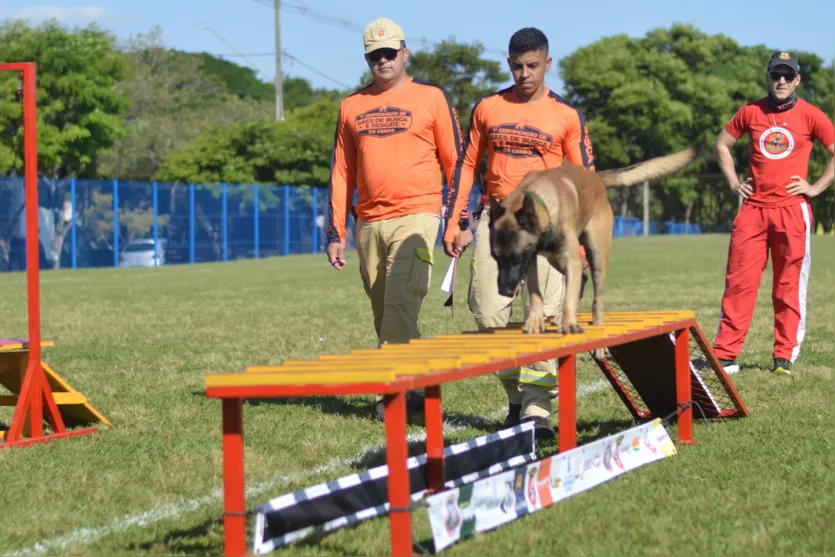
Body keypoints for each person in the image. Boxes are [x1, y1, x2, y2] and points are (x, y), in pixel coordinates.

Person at [442, 27, 596, 440]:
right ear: (508, 64)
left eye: (532, 66)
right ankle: (515, 398)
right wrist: (456, 223)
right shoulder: (489, 107)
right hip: (498, 227)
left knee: (543, 318)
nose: (524, 73)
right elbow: (466, 166)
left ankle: (535, 412)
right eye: (517, 66)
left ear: (548, 64)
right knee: (487, 312)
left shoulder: (566, 115)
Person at [326, 17, 463, 419]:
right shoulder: (351, 105)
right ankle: (421, 385)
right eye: (374, 55)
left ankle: (393, 393)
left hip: (418, 214)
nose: (382, 60)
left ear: (405, 53)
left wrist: (457, 220)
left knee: (402, 302)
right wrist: (335, 230)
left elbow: (456, 163)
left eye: (389, 53)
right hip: (368, 221)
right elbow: (341, 171)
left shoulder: (432, 98)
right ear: (367, 58)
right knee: (386, 311)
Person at [710, 50, 834, 375]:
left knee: (788, 284)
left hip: (792, 211)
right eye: (776, 75)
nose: (781, 81)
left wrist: (816, 187)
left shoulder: (811, 115)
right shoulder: (750, 111)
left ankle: (784, 356)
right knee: (739, 282)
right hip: (752, 210)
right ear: (768, 77)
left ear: (797, 80)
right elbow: (721, 144)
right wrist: (735, 183)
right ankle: (725, 354)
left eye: (787, 75)